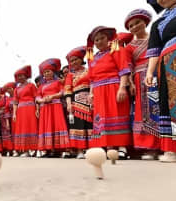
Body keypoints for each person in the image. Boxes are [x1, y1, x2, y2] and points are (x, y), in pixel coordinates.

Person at [145, 0, 176, 162]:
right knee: (171, 104)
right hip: (169, 65)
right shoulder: (158, 23)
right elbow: (154, 50)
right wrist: (150, 72)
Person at [86, 26, 133, 158]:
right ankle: (109, 147)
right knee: (103, 119)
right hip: (98, 91)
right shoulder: (92, 58)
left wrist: (122, 88)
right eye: (96, 40)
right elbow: (92, 79)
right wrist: (91, 93)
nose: (99, 41)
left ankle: (122, 147)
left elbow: (123, 70)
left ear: (108, 38)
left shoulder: (116, 51)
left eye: (102, 38)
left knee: (118, 114)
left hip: (114, 87)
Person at [124, 9, 160, 160]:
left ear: (145, 22)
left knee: (161, 109)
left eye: (137, 23)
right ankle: (150, 148)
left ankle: (165, 145)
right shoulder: (129, 47)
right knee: (144, 112)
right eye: (131, 26)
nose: (134, 27)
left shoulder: (155, 38)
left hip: (158, 74)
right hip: (140, 79)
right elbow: (128, 66)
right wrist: (131, 83)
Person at [36, 59, 69, 156]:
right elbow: (37, 97)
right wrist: (42, 100)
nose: (46, 73)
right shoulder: (41, 86)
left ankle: (60, 149)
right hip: (45, 107)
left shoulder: (58, 82)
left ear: (53, 72)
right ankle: (49, 149)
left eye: (48, 71)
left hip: (56, 105)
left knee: (57, 124)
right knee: (47, 126)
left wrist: (52, 96)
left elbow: (62, 92)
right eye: (45, 72)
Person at [64, 46, 93, 159]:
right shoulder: (70, 75)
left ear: (81, 59)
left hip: (89, 99)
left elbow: (93, 83)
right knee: (77, 125)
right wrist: (68, 103)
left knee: (90, 125)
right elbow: (67, 90)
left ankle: (91, 149)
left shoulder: (89, 70)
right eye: (71, 61)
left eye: (76, 59)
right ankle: (80, 150)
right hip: (76, 102)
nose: (74, 62)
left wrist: (92, 95)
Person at [12, 65, 39, 157]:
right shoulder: (16, 89)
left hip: (31, 109)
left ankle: (35, 150)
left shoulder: (31, 85)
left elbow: (36, 98)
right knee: (22, 129)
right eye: (18, 76)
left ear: (26, 75)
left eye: (22, 75)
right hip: (20, 110)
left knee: (31, 127)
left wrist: (37, 109)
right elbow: (15, 102)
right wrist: (14, 114)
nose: (20, 77)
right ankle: (25, 150)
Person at [2, 82, 17, 156]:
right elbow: (6, 110)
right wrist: (7, 122)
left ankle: (19, 149)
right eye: (7, 89)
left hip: (18, 117)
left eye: (10, 88)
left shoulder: (17, 97)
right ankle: (12, 150)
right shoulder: (7, 99)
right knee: (10, 134)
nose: (9, 90)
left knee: (16, 133)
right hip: (10, 118)